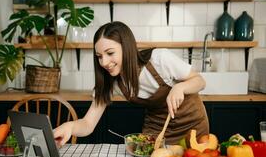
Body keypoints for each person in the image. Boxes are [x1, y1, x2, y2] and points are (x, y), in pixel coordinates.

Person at [54, 21, 209, 147]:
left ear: (126, 48)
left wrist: (180, 87)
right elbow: (88, 123)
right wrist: (70, 127)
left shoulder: (159, 59)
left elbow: (200, 81)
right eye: (99, 56)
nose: (104, 62)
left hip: (192, 126)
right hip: (156, 130)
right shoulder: (110, 82)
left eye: (110, 53)